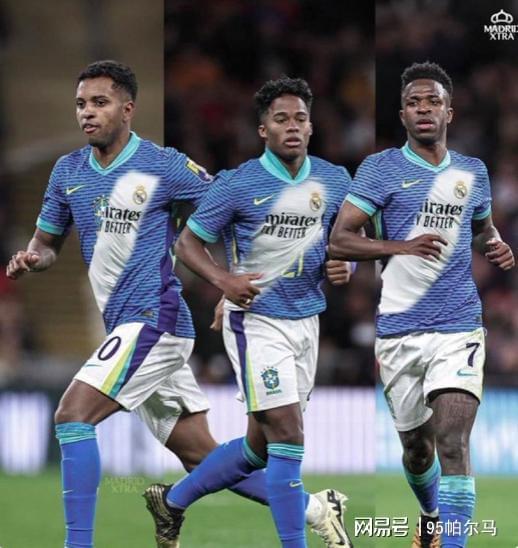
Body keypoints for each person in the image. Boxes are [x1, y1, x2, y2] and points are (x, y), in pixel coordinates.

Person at [6, 61, 352, 548]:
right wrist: (31, 259)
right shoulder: (68, 172)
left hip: (155, 320)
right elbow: (46, 244)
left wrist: (229, 283)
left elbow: (231, 211)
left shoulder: (164, 165)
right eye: (81, 104)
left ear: (127, 109)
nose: (87, 113)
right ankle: (318, 509)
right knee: (201, 457)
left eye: (100, 103)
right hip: (124, 327)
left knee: (72, 416)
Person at [144, 76, 355, 548]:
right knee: (288, 434)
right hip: (257, 323)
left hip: (307, 321)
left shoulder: (335, 180)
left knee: (258, 448)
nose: (292, 126)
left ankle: (172, 501)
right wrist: (224, 281)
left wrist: (346, 265)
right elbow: (187, 244)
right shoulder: (238, 184)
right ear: (263, 130)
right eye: (281, 119)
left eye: (300, 118)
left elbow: (345, 243)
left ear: (311, 126)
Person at [329, 62, 515, 548]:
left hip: (458, 325)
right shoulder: (380, 169)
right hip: (399, 331)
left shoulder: (473, 172)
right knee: (417, 450)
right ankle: (430, 518)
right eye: (414, 103)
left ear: (449, 112)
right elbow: (340, 239)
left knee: (453, 442)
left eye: (433, 101)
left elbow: (481, 229)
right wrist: (400, 247)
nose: (424, 109)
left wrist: (495, 244)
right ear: (403, 115)